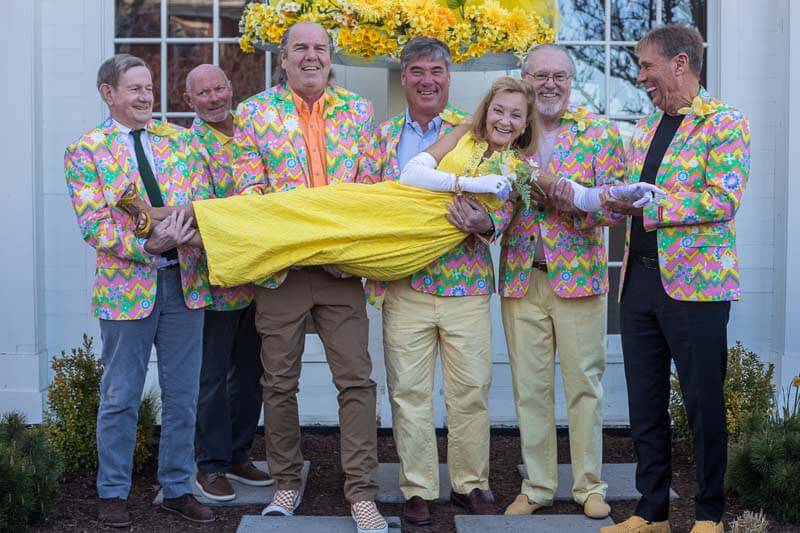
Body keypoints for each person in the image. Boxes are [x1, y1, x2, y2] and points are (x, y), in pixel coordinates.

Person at [233, 22, 387, 533]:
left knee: (356, 380)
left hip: (341, 271)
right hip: (284, 271)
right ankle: (285, 481)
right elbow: (249, 191)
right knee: (278, 382)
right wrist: (297, 240)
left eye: (320, 47)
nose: (311, 56)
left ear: (330, 56)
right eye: (300, 47)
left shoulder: (359, 112)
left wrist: (347, 249)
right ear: (283, 58)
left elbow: (370, 187)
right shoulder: (254, 114)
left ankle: (361, 492)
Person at [599, 24, 750, 533]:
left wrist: (651, 208)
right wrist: (613, 200)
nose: (641, 76)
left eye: (647, 65)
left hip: (697, 288)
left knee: (704, 404)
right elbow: (631, 198)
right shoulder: (644, 129)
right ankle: (651, 512)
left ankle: (709, 515)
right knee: (645, 405)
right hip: (638, 284)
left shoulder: (725, 122)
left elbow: (723, 199)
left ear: (680, 63)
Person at [63, 54, 214, 527]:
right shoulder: (86, 150)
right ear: (108, 94)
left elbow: (204, 201)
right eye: (135, 89)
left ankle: (177, 488)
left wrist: (184, 226)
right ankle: (113, 493)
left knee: (183, 395)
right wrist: (147, 246)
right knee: (121, 396)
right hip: (126, 289)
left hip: (185, 284)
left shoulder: (180, 141)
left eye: (149, 87)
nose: (146, 96)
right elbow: (95, 225)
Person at [500, 44, 625, 520]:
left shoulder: (599, 133)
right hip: (521, 278)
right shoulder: (511, 132)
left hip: (579, 280)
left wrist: (566, 198)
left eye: (560, 76)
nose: (550, 84)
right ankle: (537, 486)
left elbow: (615, 208)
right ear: (525, 79)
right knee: (529, 388)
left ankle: (589, 485)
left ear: (572, 81)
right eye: (540, 76)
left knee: (583, 386)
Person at [183, 64, 272, 502]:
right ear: (190, 102)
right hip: (215, 277)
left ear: (232, 88)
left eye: (219, 88)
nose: (215, 97)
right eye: (204, 93)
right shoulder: (189, 147)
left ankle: (238, 454)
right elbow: (205, 210)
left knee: (252, 371)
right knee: (213, 376)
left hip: (259, 274)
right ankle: (211, 464)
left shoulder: (253, 131)